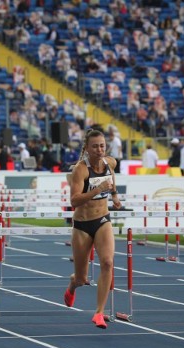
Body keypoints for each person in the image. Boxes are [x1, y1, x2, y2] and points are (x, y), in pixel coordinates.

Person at [64, 128, 122, 329]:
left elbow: (112, 180)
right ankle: (73, 283)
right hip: (82, 225)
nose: (99, 149)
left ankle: (99, 312)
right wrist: (97, 190)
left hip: (102, 220)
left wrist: (114, 196)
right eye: (95, 146)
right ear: (87, 148)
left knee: (107, 262)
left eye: (102, 146)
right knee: (82, 278)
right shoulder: (80, 169)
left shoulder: (110, 162)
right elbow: (74, 201)